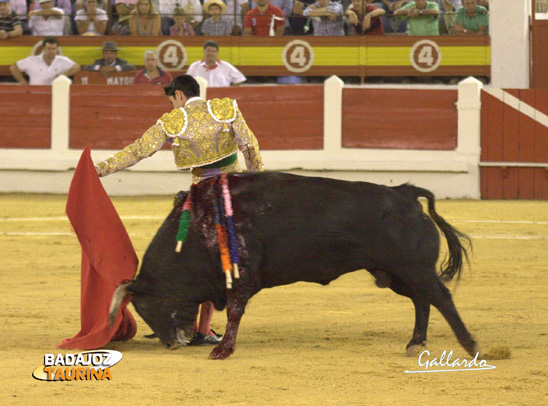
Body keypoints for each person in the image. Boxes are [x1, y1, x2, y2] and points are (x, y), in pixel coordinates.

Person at [94, 75, 263, 345]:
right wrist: (257, 183)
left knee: (185, 255)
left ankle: (182, 322)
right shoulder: (226, 108)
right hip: (233, 195)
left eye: (172, 100)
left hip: (199, 200)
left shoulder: (173, 120)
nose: (173, 106)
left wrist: (100, 169)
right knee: (220, 261)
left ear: (179, 96)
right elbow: (250, 146)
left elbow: (139, 150)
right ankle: (202, 328)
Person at [10, 36, 80, 85]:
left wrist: (63, 75)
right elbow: (13, 67)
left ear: (57, 49)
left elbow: (77, 67)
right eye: (48, 49)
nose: (51, 51)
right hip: (36, 93)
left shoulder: (62, 60)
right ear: (43, 48)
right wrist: (22, 82)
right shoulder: (32, 60)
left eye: (53, 49)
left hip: (56, 94)